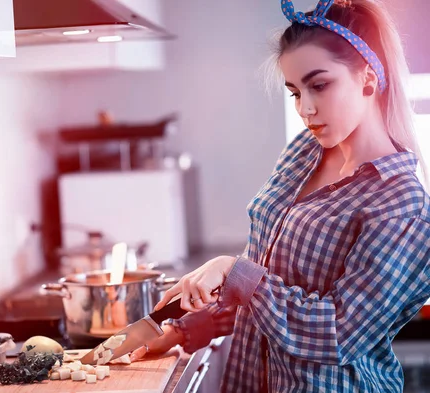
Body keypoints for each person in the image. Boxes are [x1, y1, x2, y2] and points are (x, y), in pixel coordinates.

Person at [129, 0, 430, 391]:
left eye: (319, 85)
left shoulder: (402, 204)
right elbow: (268, 285)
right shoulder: (303, 151)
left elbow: (340, 333)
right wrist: (190, 328)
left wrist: (234, 271)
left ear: (368, 79)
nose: (305, 108)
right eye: (294, 92)